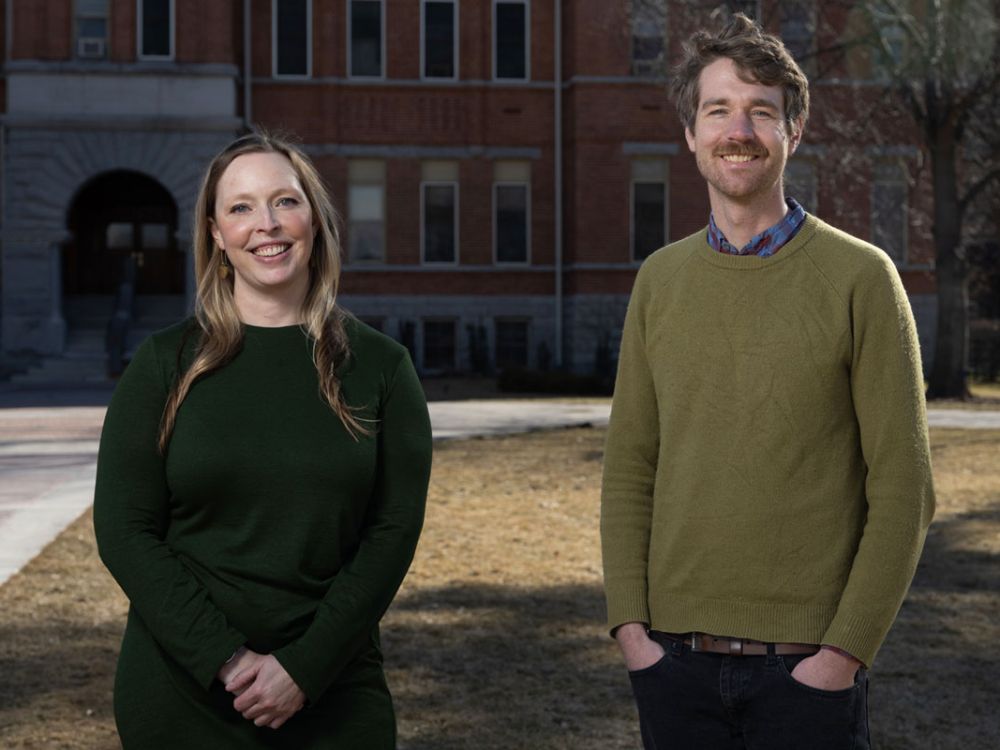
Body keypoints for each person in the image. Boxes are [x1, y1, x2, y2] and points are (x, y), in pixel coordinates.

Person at [600, 14, 934, 750]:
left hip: (807, 675)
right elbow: (629, 468)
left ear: (794, 129)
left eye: (760, 110)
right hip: (673, 667)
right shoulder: (660, 280)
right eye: (718, 109)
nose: (738, 129)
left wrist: (841, 655)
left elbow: (906, 488)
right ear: (691, 133)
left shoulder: (861, 279)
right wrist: (633, 635)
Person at [94, 131, 432, 748]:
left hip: (333, 689)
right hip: (182, 694)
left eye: (285, 201)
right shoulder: (164, 363)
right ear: (216, 234)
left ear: (316, 220)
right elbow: (123, 529)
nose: (267, 224)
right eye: (241, 207)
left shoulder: (383, 368)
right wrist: (225, 658)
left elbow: (391, 535)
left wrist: (303, 667)